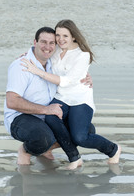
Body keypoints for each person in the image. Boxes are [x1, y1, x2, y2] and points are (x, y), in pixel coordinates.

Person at [21, 19, 121, 170]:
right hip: (61, 97)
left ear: (74, 36)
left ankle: (113, 149)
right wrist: (28, 55)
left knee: (80, 137)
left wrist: (38, 72)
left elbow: (67, 81)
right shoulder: (56, 51)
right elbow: (42, 52)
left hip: (80, 99)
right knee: (51, 117)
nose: (61, 39)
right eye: (58, 35)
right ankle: (74, 158)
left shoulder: (83, 55)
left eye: (65, 36)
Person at [4, 26, 93, 165]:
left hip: (47, 116)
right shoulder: (22, 66)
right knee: (43, 137)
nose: (47, 47)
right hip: (20, 117)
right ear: (35, 42)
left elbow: (70, 76)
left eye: (52, 43)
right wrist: (46, 110)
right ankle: (26, 150)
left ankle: (45, 149)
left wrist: (86, 78)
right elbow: (12, 102)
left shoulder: (54, 63)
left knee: (86, 130)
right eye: (43, 42)